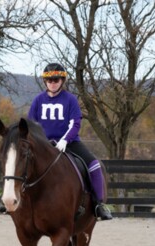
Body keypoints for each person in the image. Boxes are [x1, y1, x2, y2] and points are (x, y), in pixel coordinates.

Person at [27, 63, 113, 220]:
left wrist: (65, 140)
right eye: (49, 80)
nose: (53, 83)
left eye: (56, 79)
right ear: (45, 81)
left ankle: (98, 204)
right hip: (43, 145)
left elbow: (75, 123)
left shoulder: (70, 100)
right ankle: (12, 201)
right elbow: (30, 125)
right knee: (18, 161)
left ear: (62, 80)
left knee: (94, 165)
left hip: (69, 142)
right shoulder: (38, 101)